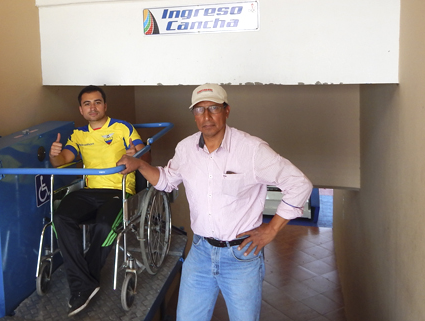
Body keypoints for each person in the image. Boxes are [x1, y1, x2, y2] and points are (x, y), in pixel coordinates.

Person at [117, 84, 312, 320]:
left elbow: (299, 184)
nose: (206, 116)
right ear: (194, 115)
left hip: (241, 256)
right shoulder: (186, 148)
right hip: (200, 253)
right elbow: (167, 181)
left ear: (226, 110)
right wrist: (139, 165)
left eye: (213, 108)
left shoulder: (251, 150)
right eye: (199, 110)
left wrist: (271, 230)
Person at [49, 85, 147, 317]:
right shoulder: (78, 135)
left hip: (118, 191)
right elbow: (63, 160)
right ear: (81, 110)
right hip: (90, 191)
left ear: (105, 106)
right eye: (87, 104)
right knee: (61, 218)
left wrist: (137, 154)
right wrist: (55, 155)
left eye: (97, 102)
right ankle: (86, 282)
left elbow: (143, 152)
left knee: (104, 225)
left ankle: (83, 283)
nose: (92, 107)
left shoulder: (122, 127)